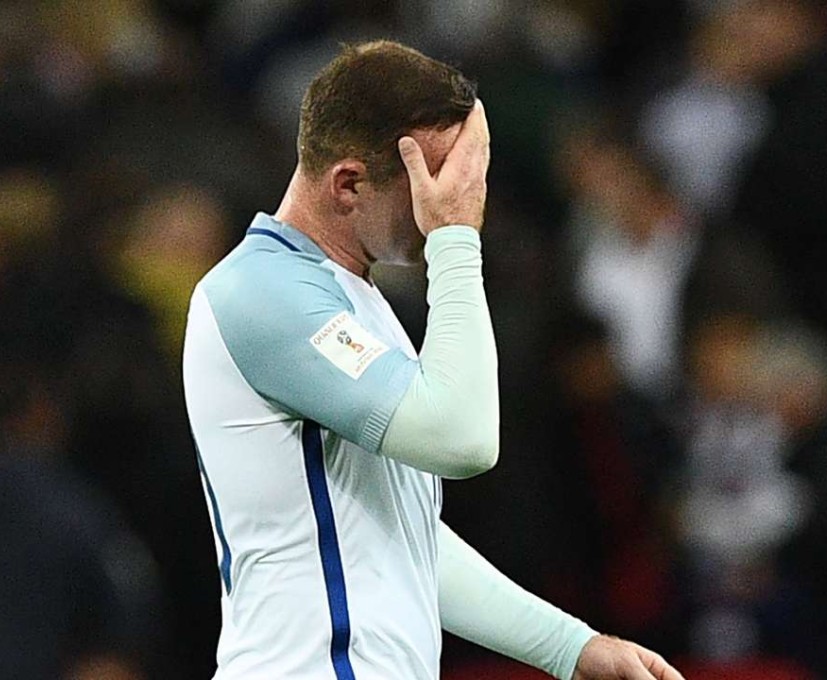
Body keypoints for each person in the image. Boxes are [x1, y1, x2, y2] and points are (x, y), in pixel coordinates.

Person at [182, 40, 684, 680]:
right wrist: (454, 238)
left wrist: (572, 647)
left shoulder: (352, 300)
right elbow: (463, 440)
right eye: (436, 180)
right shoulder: (262, 293)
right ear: (349, 184)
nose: (454, 200)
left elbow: (402, 539)